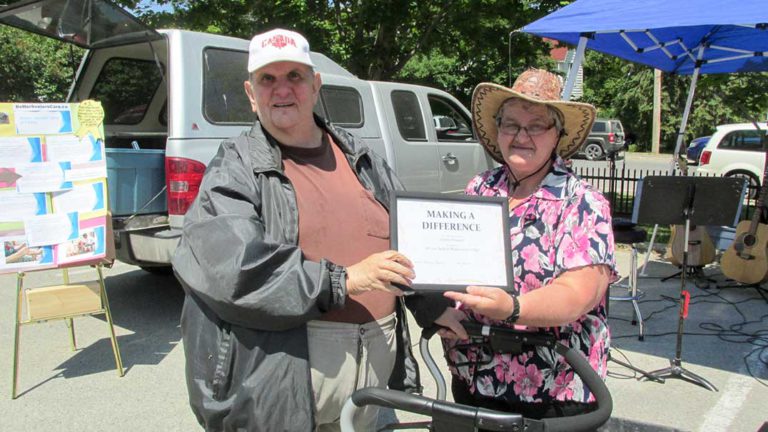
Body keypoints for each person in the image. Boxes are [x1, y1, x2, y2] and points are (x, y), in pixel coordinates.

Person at [171, 28, 458, 431]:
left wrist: (431, 305)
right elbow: (233, 269)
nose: (282, 89)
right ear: (251, 94)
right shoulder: (233, 169)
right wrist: (344, 280)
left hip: (370, 376)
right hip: (284, 381)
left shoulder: (360, 156)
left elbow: (405, 236)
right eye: (267, 79)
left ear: (315, 84)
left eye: (295, 76)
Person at [432, 69, 618, 420]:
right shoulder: (480, 188)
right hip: (475, 378)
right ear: (498, 129)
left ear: (557, 134)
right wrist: (442, 305)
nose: (521, 136)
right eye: (511, 124)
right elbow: (453, 262)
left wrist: (513, 308)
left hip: (553, 390)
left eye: (535, 126)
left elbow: (579, 293)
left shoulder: (582, 203)